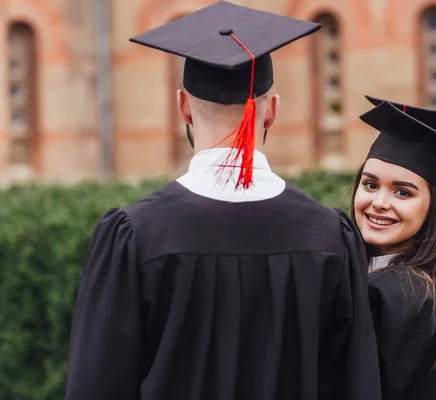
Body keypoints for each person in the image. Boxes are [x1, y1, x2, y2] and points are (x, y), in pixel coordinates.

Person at [65, 2, 381, 399]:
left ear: (182, 106)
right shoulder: (330, 236)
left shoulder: (135, 236)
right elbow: (355, 384)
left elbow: (97, 387)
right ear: (272, 112)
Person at [349, 100, 436, 399]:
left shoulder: (394, 294)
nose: (379, 202)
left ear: (434, 206)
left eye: (403, 192)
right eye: (370, 184)